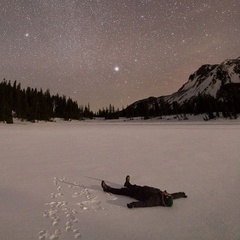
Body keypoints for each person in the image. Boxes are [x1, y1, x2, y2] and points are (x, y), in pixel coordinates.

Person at [101, 175, 187, 208]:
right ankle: (128, 183)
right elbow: (174, 195)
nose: (167, 192)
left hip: (137, 193)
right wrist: (182, 194)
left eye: (167, 194)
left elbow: (144, 204)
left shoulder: (155, 200)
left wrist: (133, 205)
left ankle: (108, 189)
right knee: (134, 186)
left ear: (165, 197)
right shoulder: (164, 196)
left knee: (123, 191)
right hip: (143, 189)